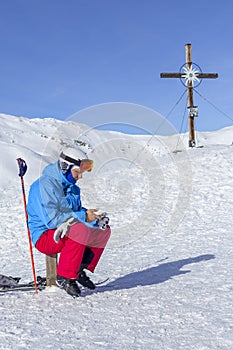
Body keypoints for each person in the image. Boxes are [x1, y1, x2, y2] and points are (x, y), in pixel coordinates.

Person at [27, 148, 111, 297]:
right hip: (45, 236)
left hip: (65, 231)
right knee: (79, 230)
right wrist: (84, 217)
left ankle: (77, 270)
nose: (80, 177)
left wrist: (93, 220)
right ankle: (65, 277)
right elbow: (52, 221)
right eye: (77, 172)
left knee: (102, 230)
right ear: (64, 167)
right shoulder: (44, 186)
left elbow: (75, 212)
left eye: (81, 173)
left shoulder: (73, 189)